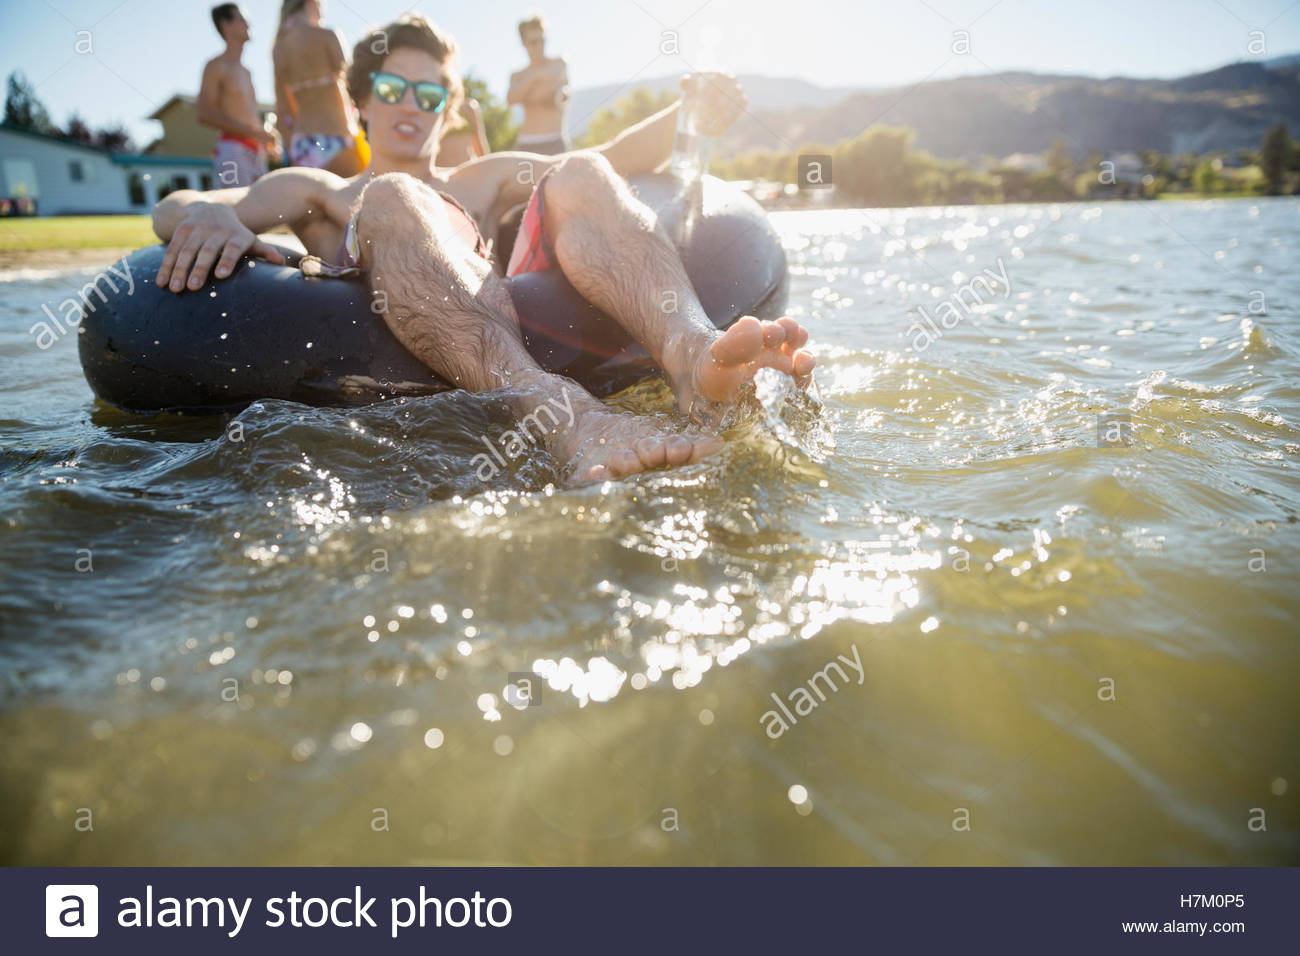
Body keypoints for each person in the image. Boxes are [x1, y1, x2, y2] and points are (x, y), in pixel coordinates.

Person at [152, 16, 814, 484]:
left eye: (431, 94)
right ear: (360, 102)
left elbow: (607, 161)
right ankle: (566, 414)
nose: (410, 107)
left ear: (450, 108)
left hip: (494, 307)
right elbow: (172, 209)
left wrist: (689, 110)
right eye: (391, 91)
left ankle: (691, 351)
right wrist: (211, 216)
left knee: (578, 171)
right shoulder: (319, 190)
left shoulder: (480, 179)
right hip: (387, 334)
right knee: (394, 195)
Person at [272, 0, 365, 176]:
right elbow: (353, 84)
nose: (322, 13)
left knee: (312, 204)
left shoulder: (279, 48)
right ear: (311, 3)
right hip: (338, 134)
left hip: (303, 143)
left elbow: (282, 108)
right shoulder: (327, 36)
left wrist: (291, 146)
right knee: (351, 201)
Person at [199, 4, 277, 187]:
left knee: (264, 212)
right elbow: (204, 113)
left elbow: (247, 114)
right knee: (237, 211)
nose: (248, 24)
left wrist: (265, 138)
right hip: (232, 152)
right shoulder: (215, 66)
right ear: (226, 24)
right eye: (241, 19)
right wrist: (254, 133)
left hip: (255, 152)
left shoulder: (246, 72)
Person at [507, 14, 569, 155]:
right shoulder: (517, 75)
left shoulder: (559, 64)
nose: (540, 46)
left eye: (542, 40)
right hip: (527, 144)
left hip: (556, 141)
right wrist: (536, 76)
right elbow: (510, 99)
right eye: (534, 42)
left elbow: (564, 95)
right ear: (523, 43)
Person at [436, 98, 490, 167]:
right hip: (442, 170)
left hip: (468, 167)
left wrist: (487, 166)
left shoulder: (470, 107)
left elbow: (479, 142)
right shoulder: (435, 107)